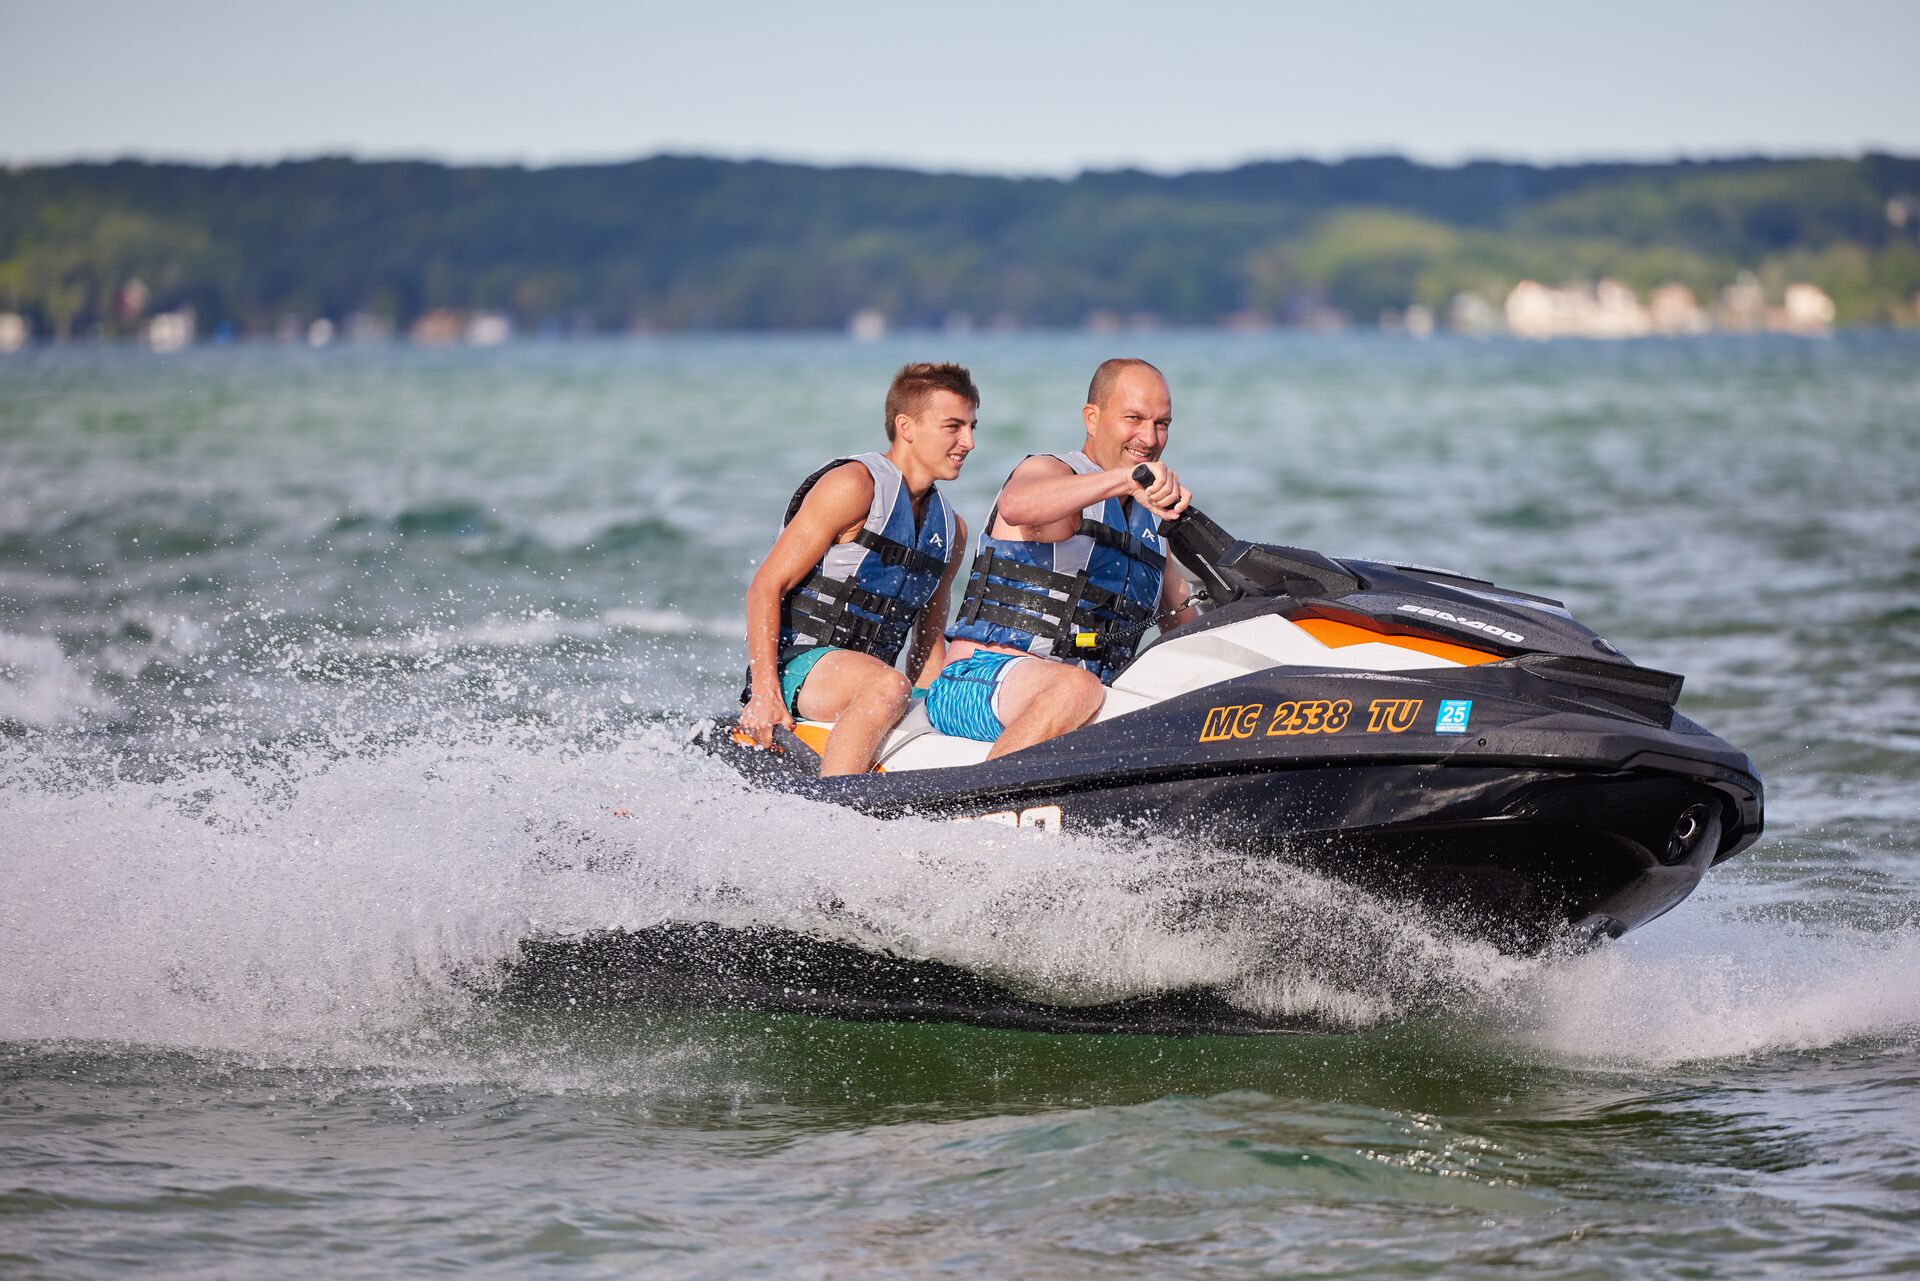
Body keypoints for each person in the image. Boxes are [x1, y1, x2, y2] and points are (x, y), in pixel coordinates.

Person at [926, 358, 1195, 758]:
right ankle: (987, 803)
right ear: (1092, 418)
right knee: (1075, 686)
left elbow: (1187, 630)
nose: (1150, 438)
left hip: (1087, 696)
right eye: (1134, 418)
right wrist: (1126, 478)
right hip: (975, 683)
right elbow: (1017, 505)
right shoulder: (1049, 471)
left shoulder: (1152, 526)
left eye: (1162, 424)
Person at [739, 362, 977, 776]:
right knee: (888, 684)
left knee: (941, 704)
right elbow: (766, 586)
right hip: (802, 668)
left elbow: (929, 633)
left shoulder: (951, 527)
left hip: (877, 683)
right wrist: (764, 693)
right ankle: (836, 816)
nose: (969, 442)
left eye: (972, 427)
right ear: (907, 426)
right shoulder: (854, 486)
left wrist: (930, 708)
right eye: (953, 426)